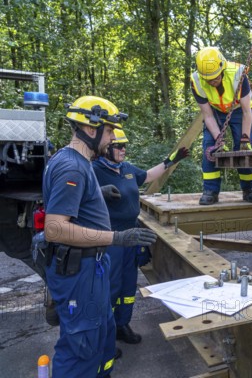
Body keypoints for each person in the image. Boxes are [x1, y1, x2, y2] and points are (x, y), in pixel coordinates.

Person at [43, 96, 157, 378]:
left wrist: (96, 194)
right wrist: (117, 238)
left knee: (102, 334)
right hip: (78, 271)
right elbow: (55, 228)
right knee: (81, 346)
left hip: (92, 267)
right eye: (109, 132)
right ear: (90, 129)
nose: (112, 139)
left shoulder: (78, 161)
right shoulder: (72, 167)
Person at [93, 129, 188, 345]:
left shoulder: (125, 169)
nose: (123, 149)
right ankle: (105, 334)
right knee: (111, 286)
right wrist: (99, 192)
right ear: (106, 148)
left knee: (128, 285)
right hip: (111, 238)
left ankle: (121, 324)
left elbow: (147, 176)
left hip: (131, 235)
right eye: (118, 146)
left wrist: (171, 161)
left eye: (125, 145)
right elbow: (78, 193)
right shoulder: (94, 169)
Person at [191, 46, 252, 205]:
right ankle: (210, 191)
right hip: (214, 111)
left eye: (215, 77)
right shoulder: (196, 81)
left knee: (245, 148)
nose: (213, 81)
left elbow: (246, 111)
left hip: (238, 109)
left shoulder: (238, 74)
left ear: (222, 67)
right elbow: (207, 115)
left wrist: (244, 138)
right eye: (209, 79)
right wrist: (218, 138)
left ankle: (249, 189)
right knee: (210, 146)